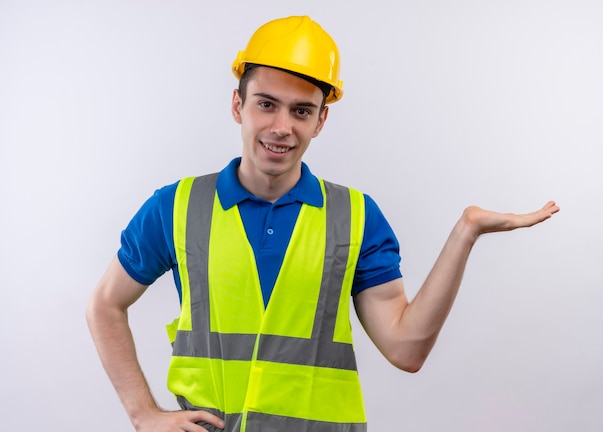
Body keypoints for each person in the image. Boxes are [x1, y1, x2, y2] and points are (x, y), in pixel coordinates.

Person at [86, 15, 559, 432]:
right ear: (238, 106)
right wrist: (143, 414)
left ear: (321, 120)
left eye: (301, 111)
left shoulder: (356, 217)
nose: (281, 127)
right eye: (266, 104)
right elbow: (105, 305)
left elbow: (406, 349)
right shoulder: (178, 206)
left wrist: (465, 233)